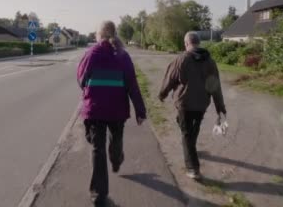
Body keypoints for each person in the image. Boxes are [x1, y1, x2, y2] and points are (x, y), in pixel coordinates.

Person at [77, 20, 147, 206]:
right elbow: (132, 84)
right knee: (116, 140)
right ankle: (116, 160)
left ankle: (99, 197)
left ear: (98, 35)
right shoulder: (123, 56)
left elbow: (81, 79)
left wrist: (90, 88)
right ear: (115, 33)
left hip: (95, 110)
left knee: (97, 149)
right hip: (117, 110)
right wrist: (140, 110)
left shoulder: (91, 53)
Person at [158, 31, 226, 180]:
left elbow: (170, 79)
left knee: (187, 134)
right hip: (201, 104)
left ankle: (192, 168)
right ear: (198, 43)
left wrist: (162, 94)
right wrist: (219, 106)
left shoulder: (181, 59)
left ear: (187, 43)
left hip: (185, 103)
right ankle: (191, 150)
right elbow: (215, 86)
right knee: (191, 129)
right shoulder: (210, 62)